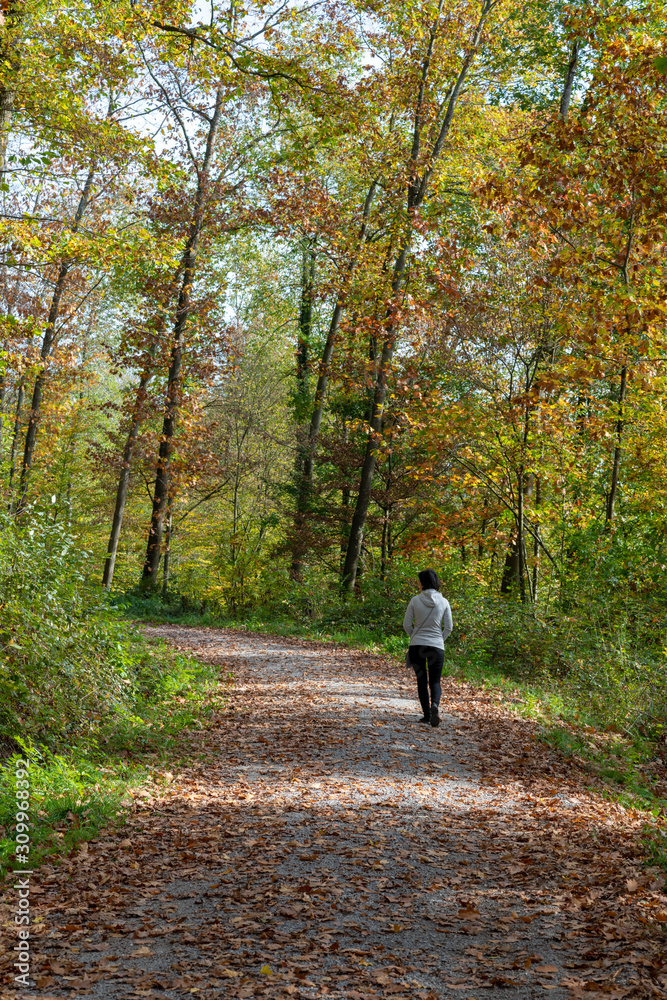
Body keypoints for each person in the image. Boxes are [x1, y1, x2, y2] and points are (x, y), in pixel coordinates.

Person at [403, 569, 453, 727]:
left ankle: (426, 715)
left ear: (423, 582)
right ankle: (435, 706)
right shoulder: (444, 602)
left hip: (417, 646)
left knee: (421, 680)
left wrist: (414, 637)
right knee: (435, 681)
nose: (418, 583)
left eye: (419, 580)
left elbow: (406, 625)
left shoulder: (414, 600)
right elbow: (449, 628)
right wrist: (439, 640)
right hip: (436, 647)